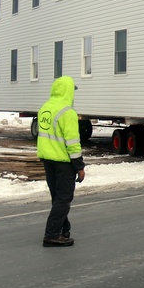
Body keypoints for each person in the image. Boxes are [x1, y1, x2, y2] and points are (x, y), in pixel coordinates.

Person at [37, 76, 86, 247]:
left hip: (47, 159)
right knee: (64, 199)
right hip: (63, 162)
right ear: (67, 91)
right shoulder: (68, 112)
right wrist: (79, 167)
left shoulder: (45, 108)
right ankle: (51, 235)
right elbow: (73, 143)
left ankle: (64, 229)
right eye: (73, 90)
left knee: (57, 197)